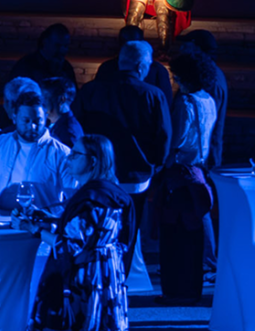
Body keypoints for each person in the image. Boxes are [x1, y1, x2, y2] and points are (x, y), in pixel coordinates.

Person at [26, 137, 134, 331]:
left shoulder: (91, 197)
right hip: (108, 276)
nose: (69, 158)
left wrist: (34, 229)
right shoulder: (112, 192)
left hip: (88, 280)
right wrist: (55, 220)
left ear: (94, 161)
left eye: (76, 154)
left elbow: (69, 245)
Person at [157, 50, 222, 302]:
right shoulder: (208, 100)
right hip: (199, 171)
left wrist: (163, 164)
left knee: (175, 236)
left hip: (180, 171)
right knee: (193, 236)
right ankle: (191, 289)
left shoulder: (185, 103)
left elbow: (178, 139)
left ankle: (175, 291)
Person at [75, 40, 172, 199]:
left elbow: (77, 126)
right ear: (141, 66)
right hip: (136, 176)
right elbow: (163, 135)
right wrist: (155, 166)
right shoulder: (153, 95)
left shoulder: (90, 89)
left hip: (96, 172)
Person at [0, 91, 72, 211]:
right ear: (14, 118)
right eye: (26, 120)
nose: (32, 126)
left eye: (37, 121)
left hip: (36, 227)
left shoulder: (61, 154)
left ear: (45, 118)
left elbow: (74, 197)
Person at [179, 28, 230, 169]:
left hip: (202, 158)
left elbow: (205, 122)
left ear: (196, 48)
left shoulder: (210, 79)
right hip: (201, 155)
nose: (181, 50)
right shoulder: (209, 75)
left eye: (186, 46)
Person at [11, 24, 79, 87]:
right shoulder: (25, 66)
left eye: (66, 46)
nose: (63, 50)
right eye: (57, 45)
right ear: (45, 42)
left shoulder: (66, 67)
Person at [40, 77, 83, 150]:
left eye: (45, 97)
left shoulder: (68, 132)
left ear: (62, 99)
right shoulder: (50, 124)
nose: (40, 102)